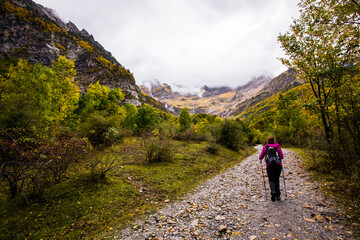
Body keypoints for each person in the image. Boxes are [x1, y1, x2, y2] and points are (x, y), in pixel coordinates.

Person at [259, 136, 284, 201]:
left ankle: (273, 191)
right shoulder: (277, 146)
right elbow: (281, 156)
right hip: (278, 165)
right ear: (274, 140)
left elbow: (260, 157)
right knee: (277, 179)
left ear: (267, 140)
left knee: (271, 179)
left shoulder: (265, 147)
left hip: (269, 166)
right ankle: (278, 195)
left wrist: (261, 159)